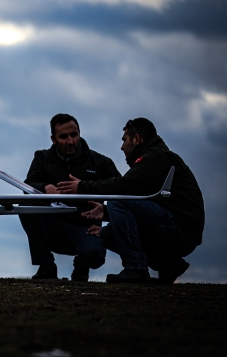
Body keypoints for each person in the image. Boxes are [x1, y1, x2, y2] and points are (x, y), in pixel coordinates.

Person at [57, 118, 204, 284]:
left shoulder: (156, 156)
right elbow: (140, 203)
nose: (122, 146)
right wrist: (105, 213)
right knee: (107, 235)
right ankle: (168, 265)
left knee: (119, 199)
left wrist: (83, 187)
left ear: (137, 139)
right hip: (174, 226)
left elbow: (124, 187)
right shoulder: (154, 157)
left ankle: (135, 269)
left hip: (180, 228)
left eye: (124, 140)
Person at [20, 114, 121, 282]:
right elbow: (28, 186)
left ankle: (82, 266)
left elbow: (122, 192)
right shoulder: (42, 158)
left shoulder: (101, 163)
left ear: (80, 133)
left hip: (86, 228)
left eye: (74, 135)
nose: (70, 141)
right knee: (26, 204)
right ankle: (46, 266)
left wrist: (107, 219)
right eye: (63, 137)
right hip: (53, 227)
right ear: (53, 139)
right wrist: (45, 188)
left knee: (94, 255)